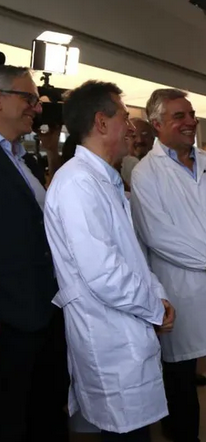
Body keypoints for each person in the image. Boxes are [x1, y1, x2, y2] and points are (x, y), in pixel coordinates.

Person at [44, 80, 176, 442]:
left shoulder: (103, 180)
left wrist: (158, 297)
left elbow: (132, 257)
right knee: (125, 434)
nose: (130, 127)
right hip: (110, 336)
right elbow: (104, 273)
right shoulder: (77, 184)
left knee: (134, 431)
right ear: (101, 123)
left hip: (126, 327)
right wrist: (155, 307)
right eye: (124, 117)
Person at [130, 88, 206, 442]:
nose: (190, 122)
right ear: (156, 124)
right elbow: (157, 234)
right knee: (181, 387)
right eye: (179, 116)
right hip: (183, 293)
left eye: (192, 114)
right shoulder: (146, 173)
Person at [0, 65, 69, 442]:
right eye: (28, 98)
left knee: (46, 411)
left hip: (45, 311)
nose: (37, 108)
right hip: (10, 320)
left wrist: (52, 151)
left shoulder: (25, 160)